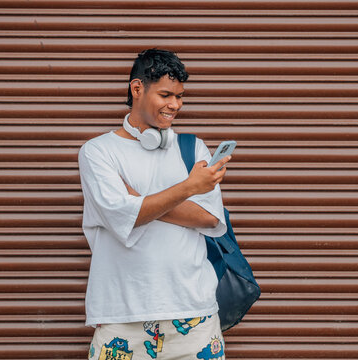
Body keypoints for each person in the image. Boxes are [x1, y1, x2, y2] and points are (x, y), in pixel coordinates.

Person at [78, 48, 231, 360]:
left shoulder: (192, 148)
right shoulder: (98, 152)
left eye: (180, 96)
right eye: (165, 94)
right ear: (137, 88)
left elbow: (207, 218)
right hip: (122, 315)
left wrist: (136, 201)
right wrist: (188, 188)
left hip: (194, 315)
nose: (174, 105)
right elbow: (123, 218)